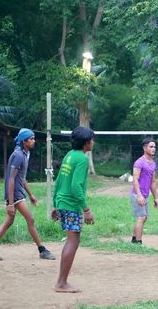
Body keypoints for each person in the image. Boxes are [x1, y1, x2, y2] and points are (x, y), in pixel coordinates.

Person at [0, 128, 56, 261]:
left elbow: (21, 178)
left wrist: (31, 195)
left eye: (33, 138)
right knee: (30, 219)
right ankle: (42, 250)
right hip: (15, 194)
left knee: (9, 221)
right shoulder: (18, 155)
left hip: (18, 192)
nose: (34, 141)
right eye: (31, 139)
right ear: (24, 141)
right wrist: (10, 203)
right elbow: (11, 179)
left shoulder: (25, 153)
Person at [52, 126, 96, 293]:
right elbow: (76, 186)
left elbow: (59, 181)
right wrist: (86, 209)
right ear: (86, 143)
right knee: (73, 241)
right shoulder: (82, 159)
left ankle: (62, 281)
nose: (93, 142)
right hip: (71, 205)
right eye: (92, 139)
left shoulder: (69, 155)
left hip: (62, 202)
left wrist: (56, 204)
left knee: (72, 240)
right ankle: (61, 283)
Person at [131, 137, 158, 244]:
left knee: (144, 217)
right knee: (141, 217)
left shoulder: (152, 164)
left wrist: (155, 197)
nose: (153, 149)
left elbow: (153, 182)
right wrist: (139, 195)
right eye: (151, 147)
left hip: (146, 195)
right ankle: (138, 242)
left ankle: (134, 239)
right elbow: (135, 179)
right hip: (137, 194)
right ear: (144, 148)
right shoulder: (139, 162)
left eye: (154, 147)